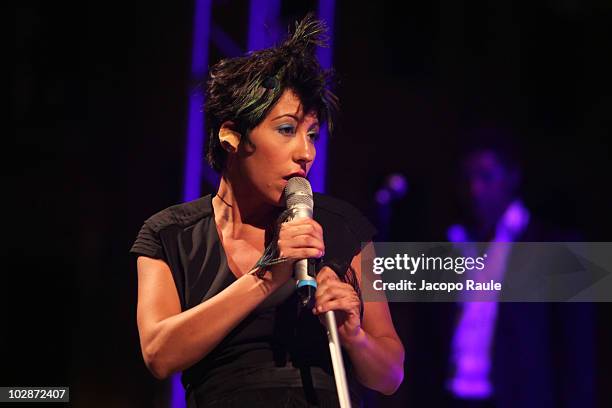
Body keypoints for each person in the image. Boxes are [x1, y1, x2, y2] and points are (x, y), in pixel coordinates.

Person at [130, 16, 404, 407]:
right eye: (286, 130)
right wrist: (269, 275)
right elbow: (159, 354)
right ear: (232, 135)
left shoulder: (343, 227)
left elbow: (391, 375)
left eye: (311, 135)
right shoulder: (170, 235)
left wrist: (353, 335)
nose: (305, 153)